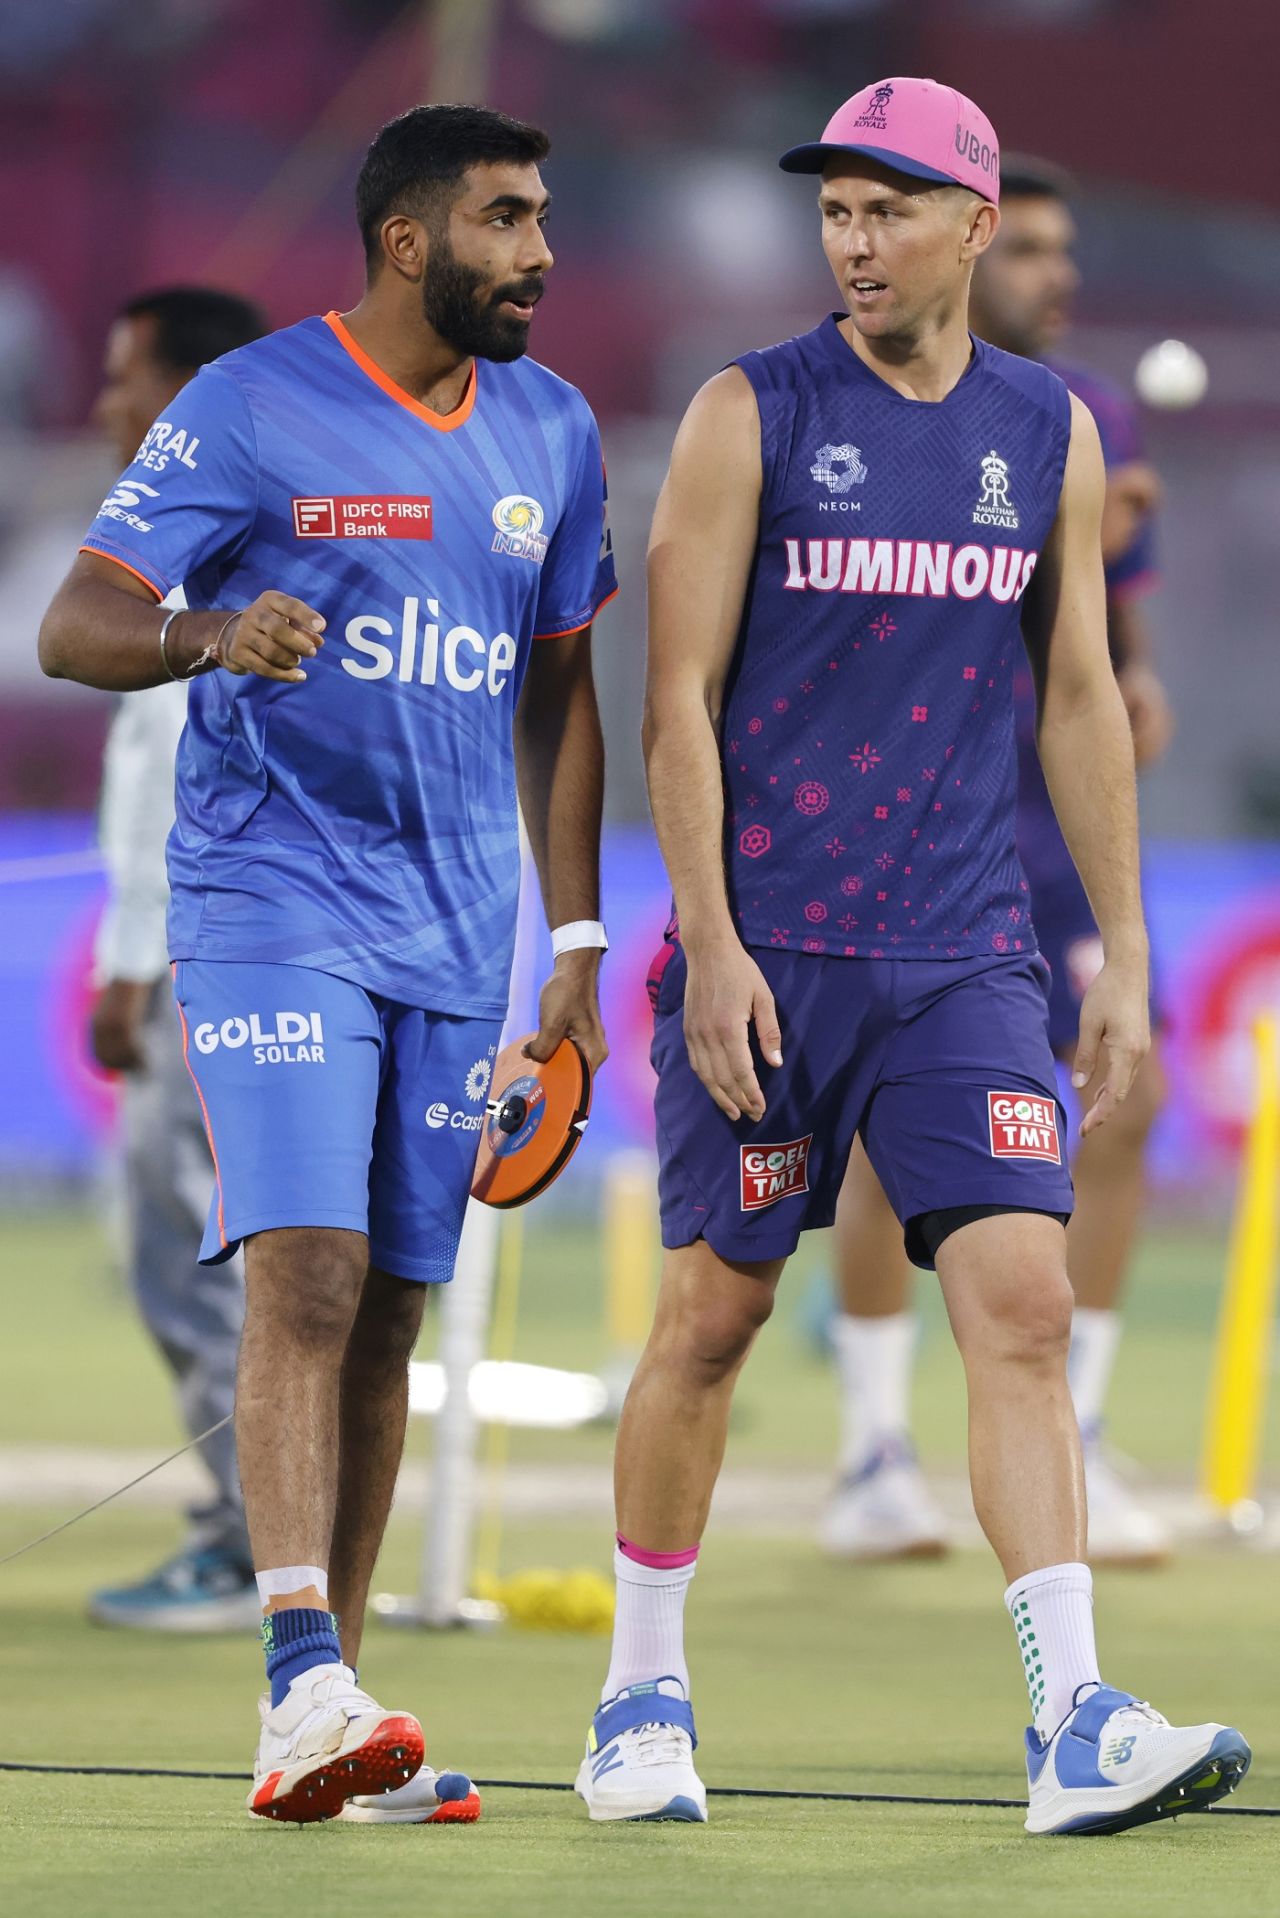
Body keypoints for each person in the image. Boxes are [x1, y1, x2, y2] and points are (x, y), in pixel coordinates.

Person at [576, 78, 1248, 1837]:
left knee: (1023, 1307)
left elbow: (1081, 694)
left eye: (887, 210)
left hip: (967, 952)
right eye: (834, 212)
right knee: (713, 1320)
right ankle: (639, 1694)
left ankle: (1074, 1719)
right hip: (773, 952)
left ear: (970, 224)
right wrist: (711, 941)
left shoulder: (1050, 429)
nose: (854, 241)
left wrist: (1123, 951)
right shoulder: (749, 410)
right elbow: (673, 700)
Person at [40, 103, 615, 1826]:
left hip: (459, 925)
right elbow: (76, 623)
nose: (542, 252)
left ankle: (334, 1717)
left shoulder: (555, 428)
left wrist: (574, 937)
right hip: (271, 899)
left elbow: (560, 697)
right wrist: (208, 629)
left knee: (392, 1311)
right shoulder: (249, 403)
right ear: (408, 239)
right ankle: (302, 1672)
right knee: (308, 1268)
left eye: (544, 215)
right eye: (507, 218)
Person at [821, 157, 1176, 1569]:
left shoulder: (1093, 420)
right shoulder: (864, 401)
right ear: (971, 247)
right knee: (883, 1126)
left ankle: (1078, 1429)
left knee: (1123, 1104)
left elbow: (1113, 651)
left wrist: (1135, 673)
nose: (1055, 272)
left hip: (1051, 825)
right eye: (1027, 246)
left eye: (1062, 247)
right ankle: (872, 1449)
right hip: (916, 821)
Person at [87, 288, 266, 1632]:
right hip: (214, 948)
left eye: (125, 377)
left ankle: (251, 1537)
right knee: (216, 1247)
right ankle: (266, 1531)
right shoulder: (229, 530)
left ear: (187, 392)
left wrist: (133, 957)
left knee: (197, 1251)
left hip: (198, 956)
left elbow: (180, 774)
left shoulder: (204, 537)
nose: (107, 406)